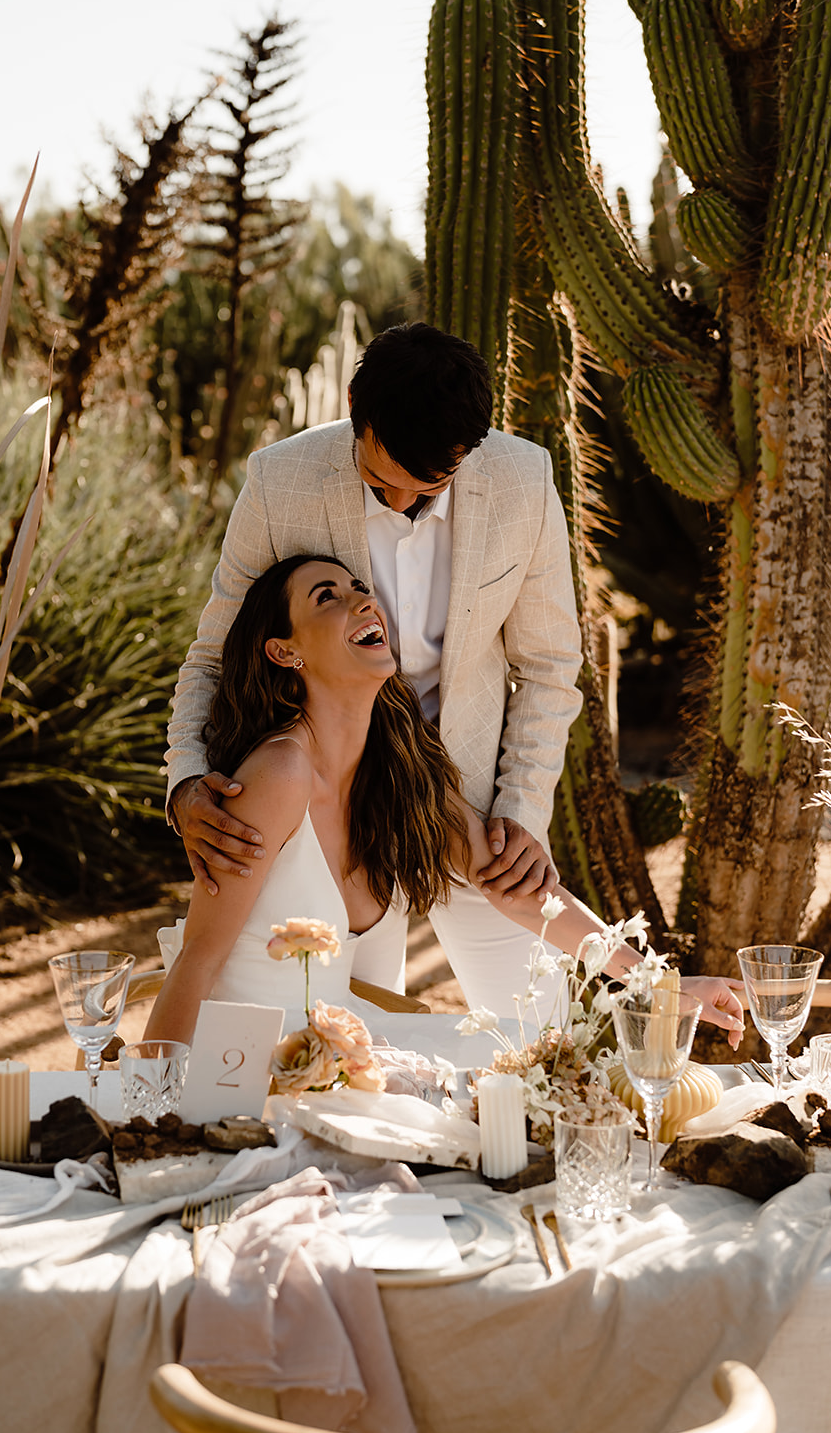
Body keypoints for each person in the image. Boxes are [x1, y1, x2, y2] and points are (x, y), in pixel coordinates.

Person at [145, 556, 745, 1048]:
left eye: (359, 588)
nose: (361, 601)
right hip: (236, 1061)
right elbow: (199, 959)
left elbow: (522, 892)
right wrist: (151, 1114)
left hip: (334, 1050)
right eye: (326, 597)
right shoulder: (278, 773)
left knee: (517, 1063)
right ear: (285, 652)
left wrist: (661, 984)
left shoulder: (401, 772)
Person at [164, 322, 584, 1014]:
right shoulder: (280, 480)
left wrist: (521, 812)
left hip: (472, 808)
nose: (398, 503)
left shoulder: (523, 480)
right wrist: (184, 781)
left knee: (543, 1034)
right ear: (355, 405)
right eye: (377, 479)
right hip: (336, 806)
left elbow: (546, 668)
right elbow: (212, 654)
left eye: (425, 485)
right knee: (352, 1046)